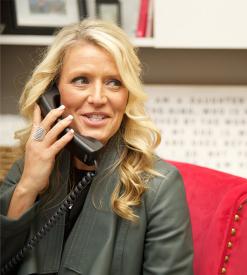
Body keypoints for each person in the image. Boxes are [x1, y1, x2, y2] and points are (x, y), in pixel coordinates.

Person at [0, 19, 193, 275]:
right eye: (81, 80)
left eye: (114, 82)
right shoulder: (29, 166)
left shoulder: (160, 186)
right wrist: (27, 187)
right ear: (53, 94)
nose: (99, 98)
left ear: (128, 95)